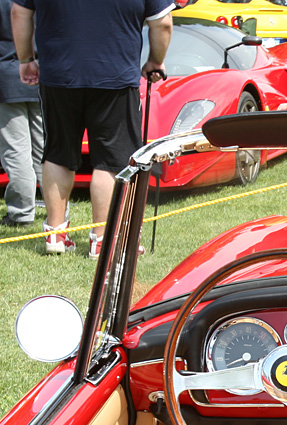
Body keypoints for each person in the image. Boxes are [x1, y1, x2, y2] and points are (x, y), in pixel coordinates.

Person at [12, 0, 173, 256]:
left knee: (57, 153)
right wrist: (156, 60)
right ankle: (102, 239)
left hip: (58, 75)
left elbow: (19, 12)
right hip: (116, 75)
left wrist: (25, 59)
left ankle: (55, 234)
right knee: (111, 158)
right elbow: (162, 23)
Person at [0, 0, 42, 228]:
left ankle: (21, 213)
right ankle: (58, 211)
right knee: (46, 150)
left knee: (16, 150)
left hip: (7, 78)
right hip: (43, 75)